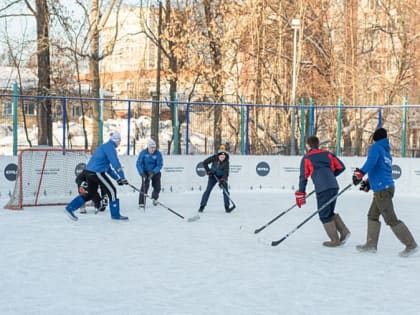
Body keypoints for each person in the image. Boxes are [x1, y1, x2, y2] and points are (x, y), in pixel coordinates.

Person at [352, 127, 418, 257]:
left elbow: (370, 163)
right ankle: (371, 245)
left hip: (382, 189)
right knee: (372, 215)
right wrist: (368, 182)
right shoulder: (386, 151)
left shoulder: (376, 148)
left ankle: (411, 245)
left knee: (391, 219)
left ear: (375, 138)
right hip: (384, 188)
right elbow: (379, 169)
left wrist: (360, 174)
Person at [295, 135, 350, 247]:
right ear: (318, 144)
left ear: (308, 145)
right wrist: (330, 176)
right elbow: (341, 167)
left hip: (323, 189)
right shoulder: (327, 154)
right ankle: (344, 232)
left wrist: (301, 192)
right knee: (329, 212)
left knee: (324, 215)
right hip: (334, 186)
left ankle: (335, 241)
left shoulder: (306, 158)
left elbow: (303, 177)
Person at [64, 131, 129, 221]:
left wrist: (118, 179)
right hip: (96, 172)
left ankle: (70, 208)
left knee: (90, 193)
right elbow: (116, 164)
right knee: (112, 191)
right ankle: (115, 215)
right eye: (119, 141)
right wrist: (123, 177)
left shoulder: (105, 146)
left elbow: (108, 168)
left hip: (89, 172)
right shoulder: (110, 148)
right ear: (116, 140)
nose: (119, 143)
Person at [198, 145, 233, 213]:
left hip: (222, 177)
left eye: (223, 157)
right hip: (213, 176)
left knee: (225, 191)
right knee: (208, 190)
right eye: (221, 156)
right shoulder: (214, 157)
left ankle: (227, 207)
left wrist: (223, 180)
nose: (222, 158)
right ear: (218, 156)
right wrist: (208, 171)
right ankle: (202, 206)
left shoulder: (226, 162)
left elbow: (226, 173)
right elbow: (205, 162)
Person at [136, 139, 163, 208]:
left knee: (157, 187)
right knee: (145, 186)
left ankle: (154, 197)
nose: (153, 149)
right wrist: (141, 172)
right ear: (148, 147)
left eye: (154, 147)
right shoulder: (143, 153)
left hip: (155, 171)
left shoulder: (158, 154)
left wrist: (154, 172)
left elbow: (159, 165)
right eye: (151, 148)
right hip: (145, 172)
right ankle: (141, 203)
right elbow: (139, 163)